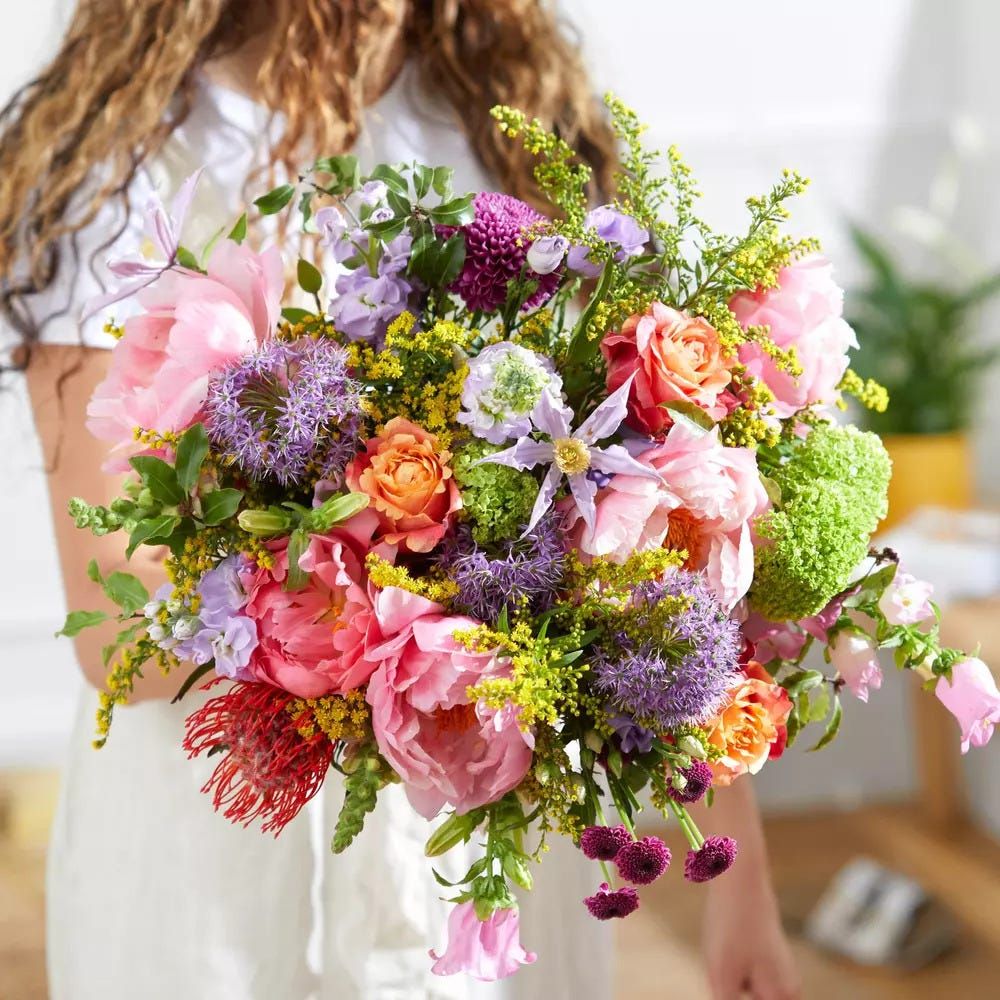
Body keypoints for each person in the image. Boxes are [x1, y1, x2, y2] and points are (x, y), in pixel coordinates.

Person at [0, 2, 801, 997]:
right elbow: (119, 630)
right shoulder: (124, 168)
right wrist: (387, 585)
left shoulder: (509, 123)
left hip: (482, 847)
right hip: (221, 857)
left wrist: (740, 873)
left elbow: (675, 555)